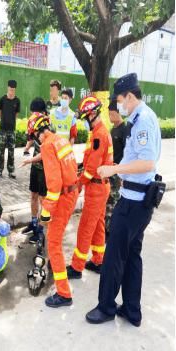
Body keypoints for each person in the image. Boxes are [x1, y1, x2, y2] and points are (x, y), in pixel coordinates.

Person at [86, 73, 162, 327]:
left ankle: (106, 307)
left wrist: (114, 170)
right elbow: (138, 159)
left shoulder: (142, 121)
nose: (120, 106)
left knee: (114, 256)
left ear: (130, 96)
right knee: (132, 255)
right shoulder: (142, 117)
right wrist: (120, 166)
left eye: (120, 101)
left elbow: (147, 162)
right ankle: (132, 310)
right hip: (139, 200)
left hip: (133, 202)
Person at [27, 114, 79, 307]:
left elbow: (54, 183)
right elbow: (72, 167)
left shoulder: (48, 146)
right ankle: (56, 267)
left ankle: (64, 294)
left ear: (39, 132)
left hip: (62, 197)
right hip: (72, 193)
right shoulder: (61, 140)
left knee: (54, 244)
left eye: (34, 136)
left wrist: (46, 210)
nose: (35, 140)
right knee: (56, 236)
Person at [67, 96, 113, 279]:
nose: (85, 122)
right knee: (98, 224)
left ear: (93, 114)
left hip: (96, 187)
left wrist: (77, 185)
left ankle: (77, 267)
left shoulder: (99, 135)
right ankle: (98, 260)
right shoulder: (98, 132)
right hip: (101, 186)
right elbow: (89, 163)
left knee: (86, 226)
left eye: (86, 118)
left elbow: (91, 170)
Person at [21, 98, 47, 243]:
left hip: (45, 170)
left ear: (42, 113)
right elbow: (31, 137)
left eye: (35, 113)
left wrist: (30, 159)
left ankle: (41, 231)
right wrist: (26, 148)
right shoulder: (36, 125)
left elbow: (46, 153)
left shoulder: (48, 128)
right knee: (33, 196)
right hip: (35, 168)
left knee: (44, 200)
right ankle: (34, 223)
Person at [105, 98, 128, 239]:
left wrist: (123, 172)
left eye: (110, 113)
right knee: (108, 202)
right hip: (110, 171)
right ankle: (107, 229)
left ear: (117, 112)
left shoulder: (124, 129)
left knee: (112, 203)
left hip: (118, 174)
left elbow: (127, 154)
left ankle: (111, 232)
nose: (109, 115)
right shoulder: (113, 129)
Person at [0, 80, 20, 179]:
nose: (11, 92)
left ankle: (11, 171)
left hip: (12, 130)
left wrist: (11, 123)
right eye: (10, 89)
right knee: (1, 151)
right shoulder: (2, 99)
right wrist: (4, 120)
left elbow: (16, 115)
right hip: (2, 130)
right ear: (7, 88)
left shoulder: (17, 101)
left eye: (13, 90)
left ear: (15, 90)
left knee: (11, 151)